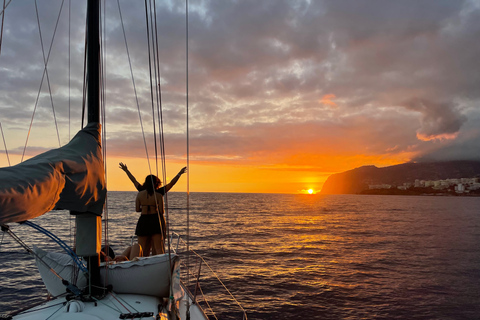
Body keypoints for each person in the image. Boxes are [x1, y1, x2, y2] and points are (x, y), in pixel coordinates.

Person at [120, 163, 186, 256]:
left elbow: (137, 208)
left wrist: (126, 170)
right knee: (159, 248)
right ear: (156, 183)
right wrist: (179, 173)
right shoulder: (159, 194)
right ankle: (161, 267)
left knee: (141, 248)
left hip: (143, 221)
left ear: (146, 183)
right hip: (155, 221)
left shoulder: (140, 192)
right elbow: (171, 184)